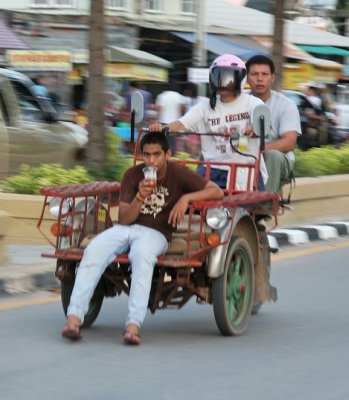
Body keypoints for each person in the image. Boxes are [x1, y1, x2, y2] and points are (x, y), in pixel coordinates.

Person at [61, 132, 224, 345]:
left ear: (168, 154)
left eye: (157, 155)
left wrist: (187, 197)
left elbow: (216, 191)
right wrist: (140, 196)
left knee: (141, 256)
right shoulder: (132, 175)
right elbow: (124, 218)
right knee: (93, 250)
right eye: (147, 155)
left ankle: (133, 325)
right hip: (126, 229)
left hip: (156, 233)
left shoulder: (179, 173)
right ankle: (73, 319)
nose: (152, 161)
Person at [149, 54, 268, 190]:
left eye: (227, 77)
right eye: (218, 76)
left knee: (242, 206)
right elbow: (182, 124)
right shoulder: (204, 106)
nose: (222, 82)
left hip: (244, 168)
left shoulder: (253, 103)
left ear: (239, 78)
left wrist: (255, 129)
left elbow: (262, 122)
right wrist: (163, 128)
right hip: (211, 169)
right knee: (186, 197)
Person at [245, 54, 301, 194]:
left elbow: (289, 142)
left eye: (264, 74)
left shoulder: (286, 105)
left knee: (273, 155)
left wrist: (259, 150)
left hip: (278, 159)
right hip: (244, 155)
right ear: (247, 77)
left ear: (272, 78)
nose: (259, 79)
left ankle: (265, 203)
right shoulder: (239, 101)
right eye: (254, 74)